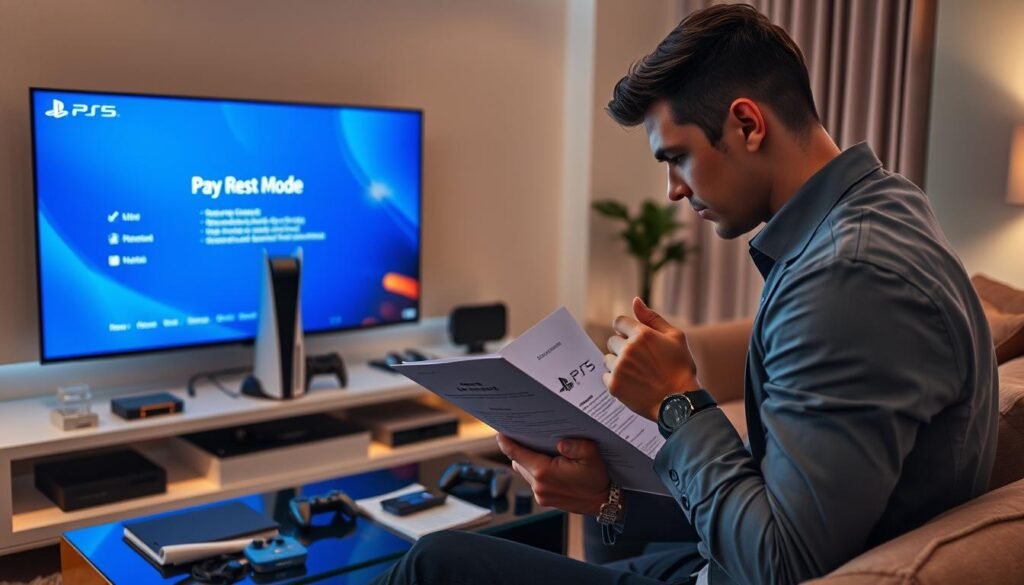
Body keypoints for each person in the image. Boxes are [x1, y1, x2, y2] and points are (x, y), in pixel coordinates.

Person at [370, 4, 997, 584]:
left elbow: (779, 566)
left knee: (435, 561)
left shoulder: (849, 279)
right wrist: (608, 498)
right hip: (728, 562)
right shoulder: (882, 203)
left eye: (678, 158)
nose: (673, 189)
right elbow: (791, 504)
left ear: (747, 123)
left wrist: (678, 402)